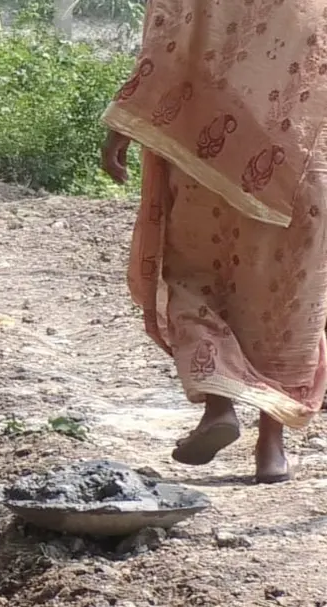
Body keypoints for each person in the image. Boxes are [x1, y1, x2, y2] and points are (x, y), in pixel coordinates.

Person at [100, 0, 327, 483]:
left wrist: (122, 126)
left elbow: (168, 46)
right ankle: (272, 447)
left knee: (193, 282)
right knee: (286, 309)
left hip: (214, 156)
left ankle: (219, 407)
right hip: (307, 168)